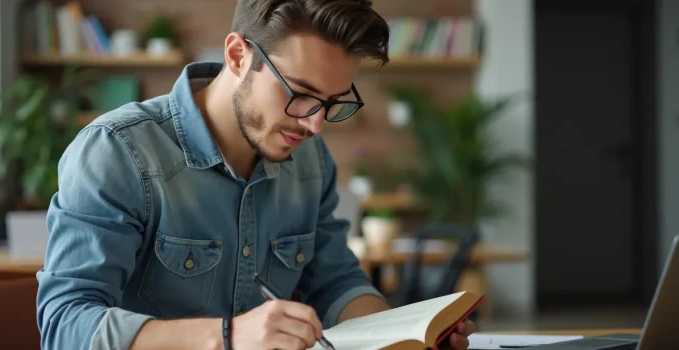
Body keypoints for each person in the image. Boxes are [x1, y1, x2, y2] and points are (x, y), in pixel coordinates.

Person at [36, 0, 476, 349]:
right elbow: (65, 326)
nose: (315, 124)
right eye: (301, 94)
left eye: (333, 101)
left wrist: (404, 336)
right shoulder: (118, 151)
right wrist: (227, 338)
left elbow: (337, 283)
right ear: (237, 56)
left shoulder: (311, 161)